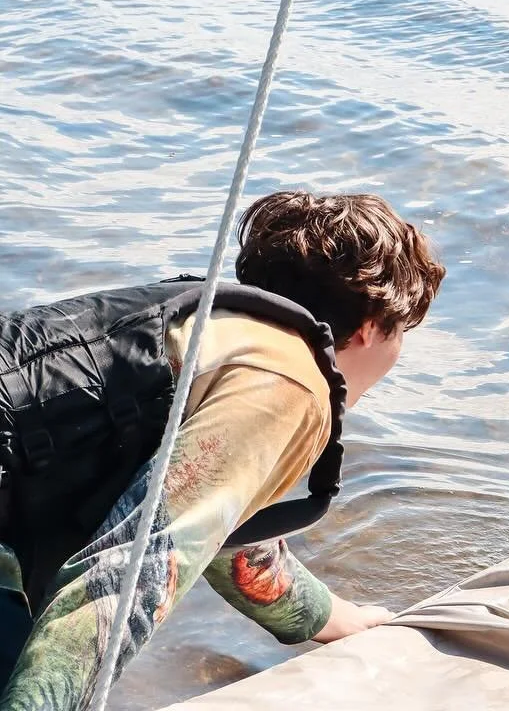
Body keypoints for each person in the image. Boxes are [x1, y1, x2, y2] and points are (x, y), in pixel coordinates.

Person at [0, 190, 446, 710]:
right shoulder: (290, 381)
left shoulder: (208, 321)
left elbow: (221, 534)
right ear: (372, 328)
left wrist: (330, 618)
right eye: (402, 334)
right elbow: (128, 575)